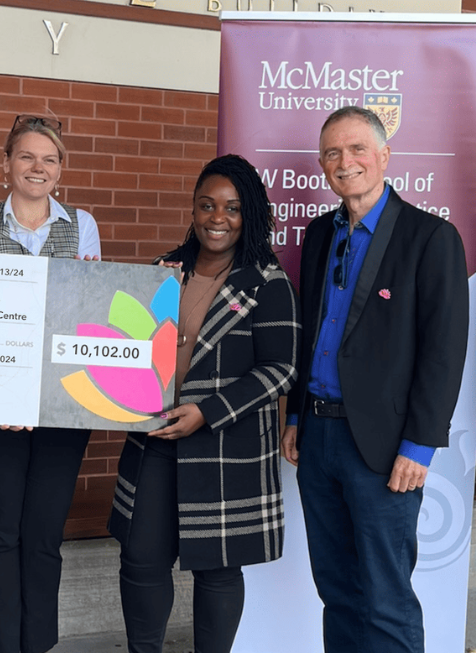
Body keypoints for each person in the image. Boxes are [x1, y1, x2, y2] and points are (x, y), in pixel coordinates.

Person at [281, 106, 468, 653]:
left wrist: (420, 446)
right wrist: (294, 415)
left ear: (385, 156)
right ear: (321, 165)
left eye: (358, 148)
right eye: (333, 153)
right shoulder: (320, 234)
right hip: (318, 440)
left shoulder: (430, 237)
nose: (346, 162)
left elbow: (444, 352)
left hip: (386, 449)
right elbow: (306, 329)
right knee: (337, 592)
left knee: (386, 598)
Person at [109, 154, 299, 653]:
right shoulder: (163, 272)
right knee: (141, 560)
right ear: (192, 210)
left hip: (223, 444)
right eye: (207, 205)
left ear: (250, 214)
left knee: (216, 570)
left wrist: (208, 412)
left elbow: (280, 369)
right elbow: (127, 346)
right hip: (153, 439)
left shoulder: (267, 282)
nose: (218, 218)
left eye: (233, 208)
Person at [0, 114, 100, 653]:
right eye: (26, 157)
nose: (37, 167)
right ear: (7, 164)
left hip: (63, 402)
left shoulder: (82, 224)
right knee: (0, 531)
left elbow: (81, 308)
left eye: (49, 158)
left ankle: (38, 645)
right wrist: (11, 388)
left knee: (43, 534)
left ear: (60, 169)